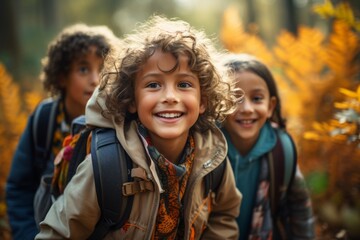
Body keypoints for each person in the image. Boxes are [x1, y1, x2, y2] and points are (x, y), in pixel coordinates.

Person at [35, 15, 242, 240]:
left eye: (184, 84)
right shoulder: (105, 166)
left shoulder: (212, 158)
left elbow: (224, 215)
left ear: (203, 100)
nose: (170, 97)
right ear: (132, 100)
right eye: (153, 85)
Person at [5, 23, 119, 240]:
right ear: (61, 76)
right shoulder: (45, 119)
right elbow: (19, 187)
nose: (95, 79)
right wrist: (28, 234)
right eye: (83, 69)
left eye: (103, 69)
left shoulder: (116, 122)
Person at [220, 53, 315, 239]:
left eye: (257, 99)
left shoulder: (281, 150)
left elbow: (300, 211)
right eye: (235, 98)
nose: (247, 108)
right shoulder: (204, 147)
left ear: (271, 106)